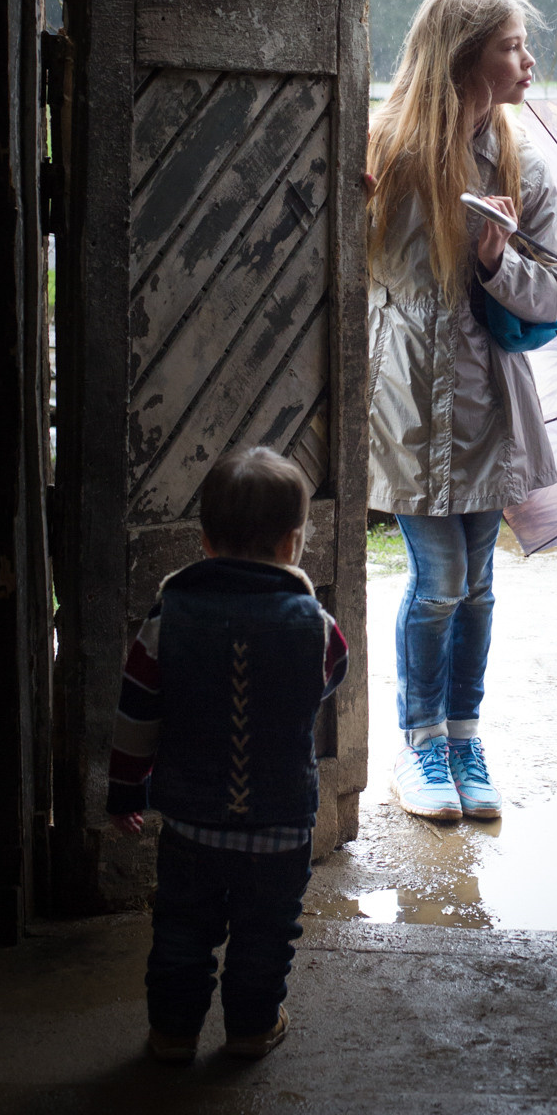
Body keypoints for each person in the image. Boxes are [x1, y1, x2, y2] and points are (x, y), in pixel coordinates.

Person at [366, 0, 557, 823]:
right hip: (407, 400)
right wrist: (353, 198)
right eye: (512, 45)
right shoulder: (382, 150)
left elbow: (554, 292)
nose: (528, 61)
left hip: (488, 402)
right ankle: (419, 748)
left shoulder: (525, 166)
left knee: (480, 585)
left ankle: (464, 737)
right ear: (463, 55)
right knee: (441, 581)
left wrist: (497, 262)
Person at [106, 447, 349, 1064]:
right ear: (294, 543)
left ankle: (172, 1033)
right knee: (266, 934)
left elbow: (137, 715)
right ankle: (250, 1029)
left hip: (191, 822)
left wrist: (126, 791)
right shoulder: (316, 626)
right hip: (280, 821)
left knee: (182, 929)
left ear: (205, 542)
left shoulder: (167, 620)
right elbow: (327, 679)